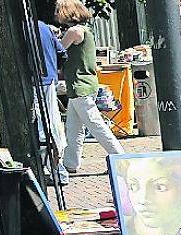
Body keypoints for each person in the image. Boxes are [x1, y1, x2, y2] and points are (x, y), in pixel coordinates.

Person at [56, 0, 125, 176]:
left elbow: (59, 50)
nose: (56, 14)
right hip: (84, 84)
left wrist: (54, 36)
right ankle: (70, 163)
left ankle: (120, 157)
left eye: (58, 10)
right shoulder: (85, 30)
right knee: (74, 127)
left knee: (95, 125)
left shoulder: (73, 31)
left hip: (80, 86)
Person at [36, 19, 69, 184]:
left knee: (41, 127)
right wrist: (53, 69)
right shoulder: (43, 27)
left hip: (35, 82)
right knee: (53, 124)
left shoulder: (18, 30)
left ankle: (48, 170)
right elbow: (62, 53)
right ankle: (58, 170)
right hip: (48, 79)